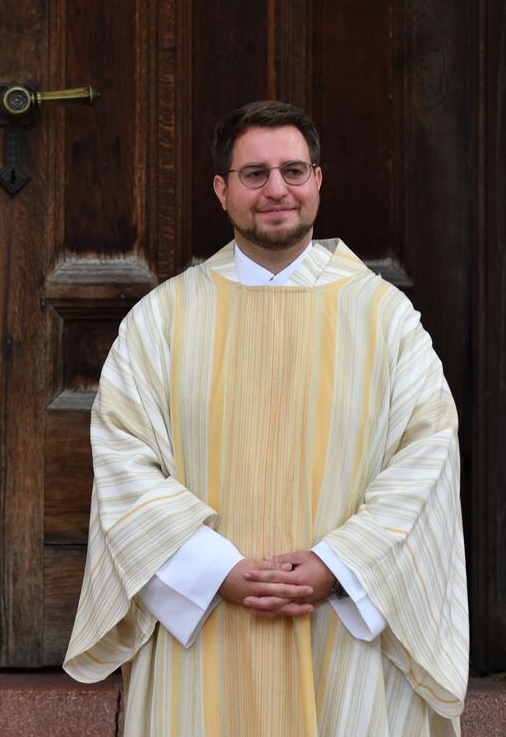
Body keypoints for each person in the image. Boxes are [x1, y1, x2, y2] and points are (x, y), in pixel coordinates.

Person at [64, 101, 467, 735]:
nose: (277, 189)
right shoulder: (162, 320)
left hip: (341, 623)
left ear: (318, 181)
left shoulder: (384, 318)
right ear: (222, 191)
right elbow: (123, 457)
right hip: (207, 620)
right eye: (255, 174)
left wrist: (339, 563)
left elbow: (427, 453)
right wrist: (215, 569)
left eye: (293, 171)